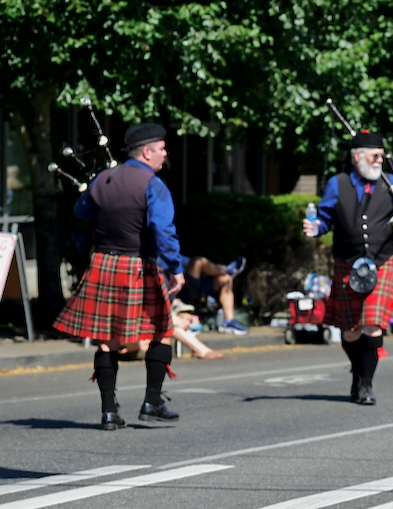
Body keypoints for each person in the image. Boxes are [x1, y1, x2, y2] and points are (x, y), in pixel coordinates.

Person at [53, 123, 185, 429]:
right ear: (146, 151)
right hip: (139, 266)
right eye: (162, 149)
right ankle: (151, 402)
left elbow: (81, 211)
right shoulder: (153, 185)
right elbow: (162, 230)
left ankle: (109, 411)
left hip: (104, 265)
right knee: (163, 330)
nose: (165, 154)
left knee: (107, 340)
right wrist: (176, 267)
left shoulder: (103, 178)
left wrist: (101, 185)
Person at [303, 129, 393, 405]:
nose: (379, 161)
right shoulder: (337, 183)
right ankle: (358, 370)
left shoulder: (390, 182)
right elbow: (325, 218)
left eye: (381, 156)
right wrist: (316, 227)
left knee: (373, 325)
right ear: (357, 156)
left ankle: (365, 384)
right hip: (347, 262)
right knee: (350, 330)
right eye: (374, 156)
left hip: (382, 261)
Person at [123, 300, 224, 359]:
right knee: (169, 324)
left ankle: (200, 349)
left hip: (142, 337)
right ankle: (200, 350)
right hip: (126, 341)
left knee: (170, 325)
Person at [176, 255, 250, 335]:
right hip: (180, 288)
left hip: (195, 284)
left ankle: (229, 322)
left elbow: (187, 263)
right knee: (198, 261)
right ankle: (227, 269)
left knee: (226, 279)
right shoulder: (162, 255)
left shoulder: (174, 254)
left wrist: (215, 268)